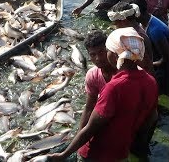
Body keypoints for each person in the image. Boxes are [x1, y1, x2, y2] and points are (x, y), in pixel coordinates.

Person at [47, 27, 159, 162]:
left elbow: (91, 128)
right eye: (93, 54)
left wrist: (63, 155)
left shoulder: (114, 87)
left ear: (116, 53)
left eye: (105, 51)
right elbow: (151, 117)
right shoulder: (150, 81)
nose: (99, 58)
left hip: (97, 152)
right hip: (121, 151)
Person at [123, 0, 169, 96]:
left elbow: (166, 59)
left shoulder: (155, 31)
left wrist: (147, 64)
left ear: (136, 14)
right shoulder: (144, 21)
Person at [79, 30, 117, 134]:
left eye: (101, 52)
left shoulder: (124, 70)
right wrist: (80, 133)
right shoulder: (92, 75)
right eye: (92, 54)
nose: (98, 58)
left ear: (109, 50)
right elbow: (89, 107)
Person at [107, 1, 155, 75]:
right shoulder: (136, 31)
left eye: (116, 24)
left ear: (124, 21)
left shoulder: (136, 37)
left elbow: (145, 64)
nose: (115, 27)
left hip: (140, 78)